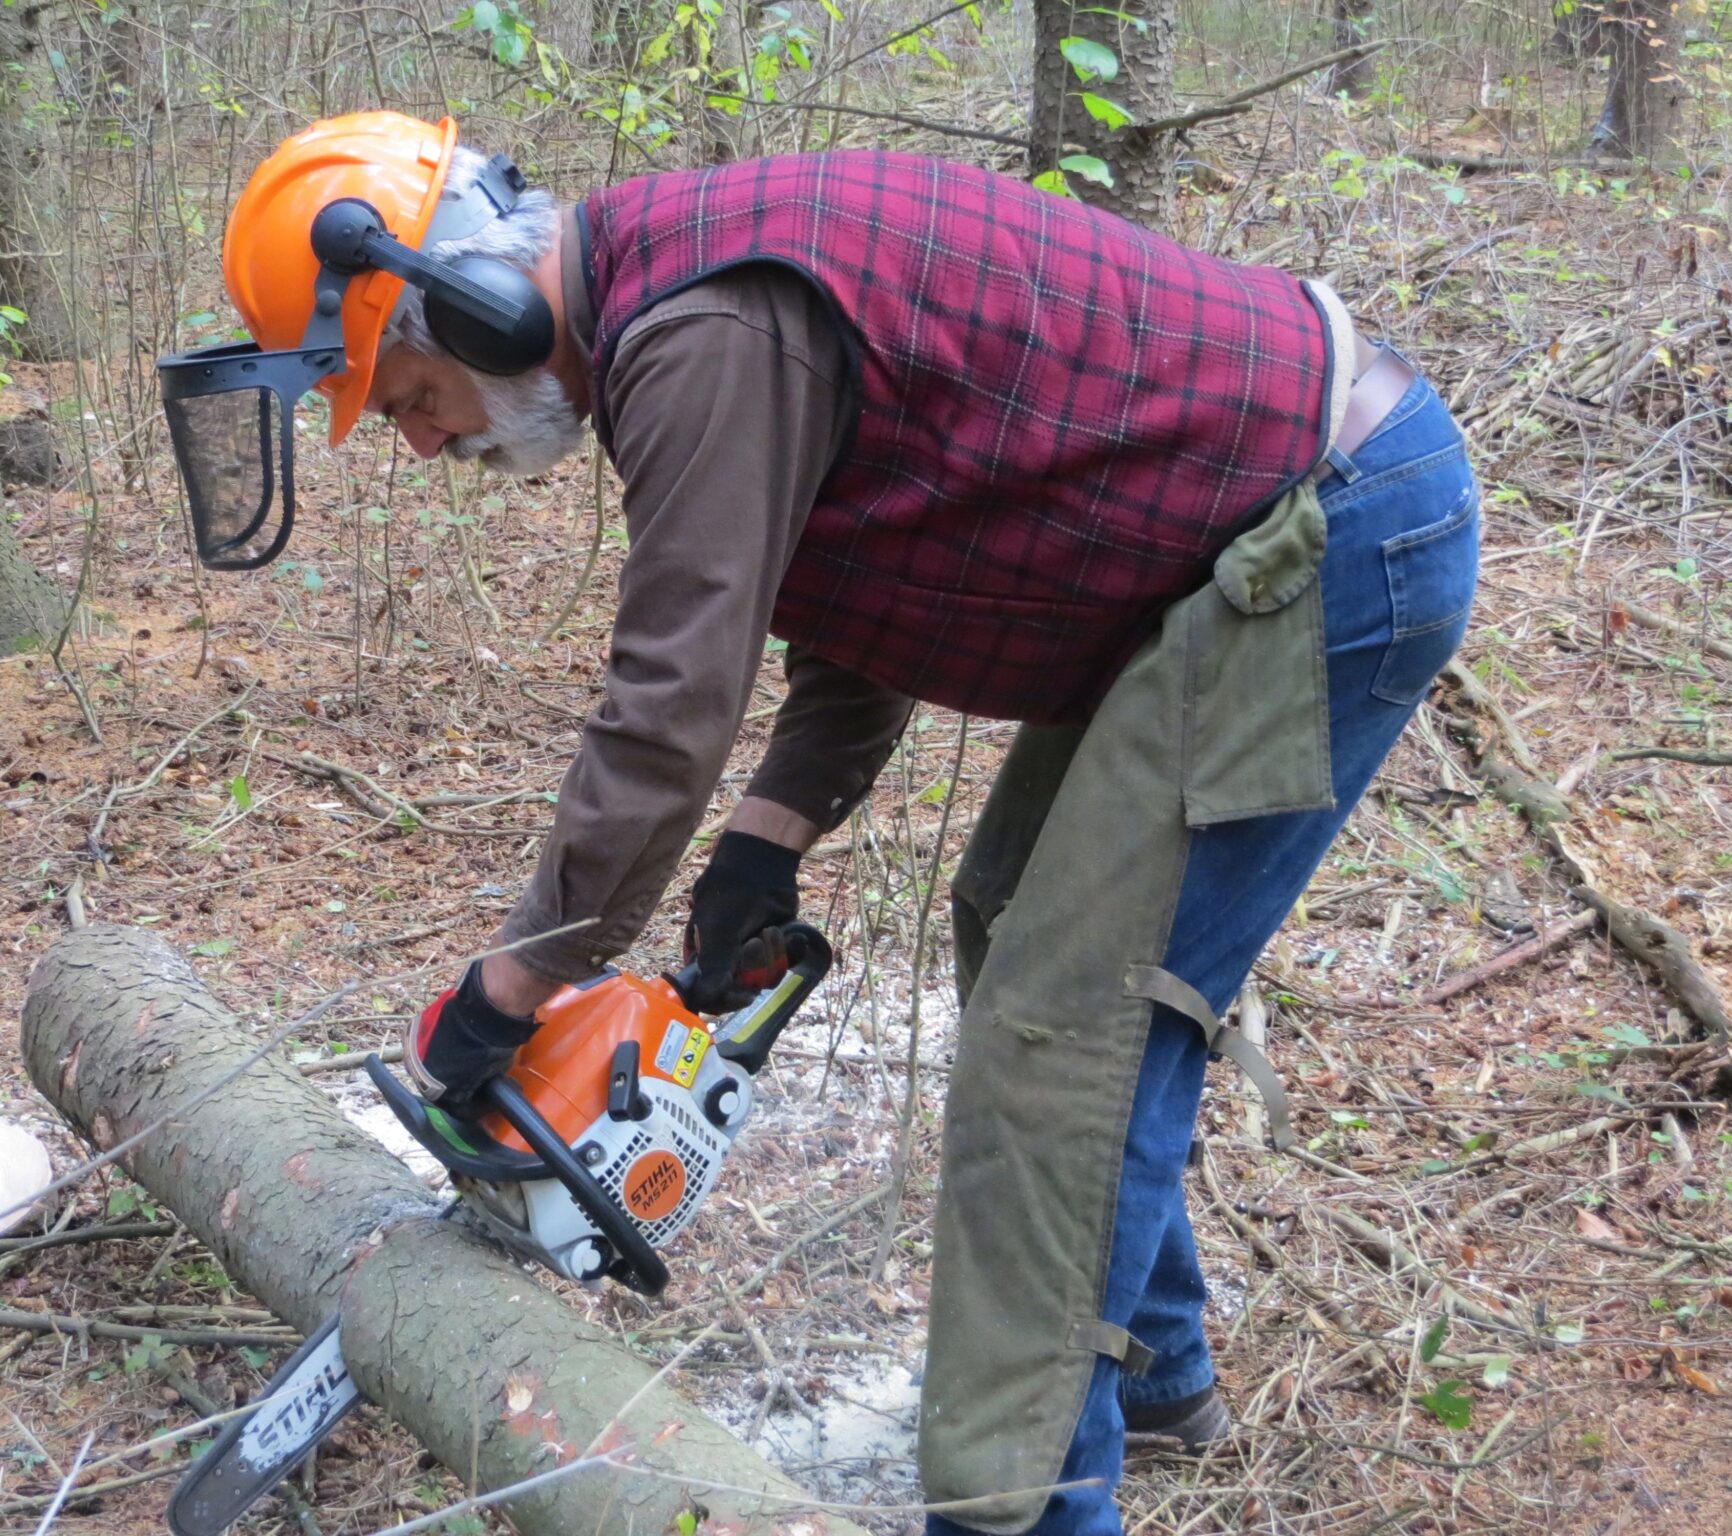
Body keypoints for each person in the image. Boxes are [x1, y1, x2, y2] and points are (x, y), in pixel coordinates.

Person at [178, 113, 1480, 1536]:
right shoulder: (695, 303)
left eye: (413, 395)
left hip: (1325, 531)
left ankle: (1019, 1513)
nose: (426, 444)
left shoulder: (704, 336)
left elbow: (667, 710)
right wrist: (766, 841)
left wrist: (516, 978)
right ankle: (1155, 1373)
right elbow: (879, 564)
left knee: (1066, 1040)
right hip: (1241, 535)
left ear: (475, 309)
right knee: (1021, 931)